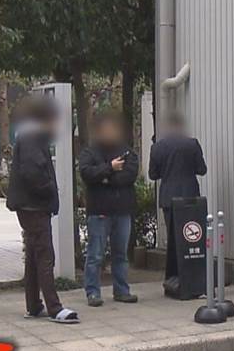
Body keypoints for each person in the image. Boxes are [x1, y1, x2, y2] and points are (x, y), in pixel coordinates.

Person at [6, 94, 79, 324]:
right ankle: (54, 308)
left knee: (34, 256)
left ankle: (34, 305)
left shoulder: (28, 136)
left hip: (29, 206)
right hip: (34, 207)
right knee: (45, 256)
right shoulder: (32, 138)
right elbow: (32, 172)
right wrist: (49, 189)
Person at [78, 112, 140, 307]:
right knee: (95, 255)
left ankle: (122, 290)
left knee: (120, 254)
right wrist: (110, 168)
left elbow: (129, 176)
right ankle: (93, 292)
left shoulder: (127, 152)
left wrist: (104, 179)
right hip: (99, 211)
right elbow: (87, 173)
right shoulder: (90, 152)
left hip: (122, 211)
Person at [148, 111, 207, 281]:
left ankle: (175, 275)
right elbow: (202, 169)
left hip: (169, 197)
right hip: (190, 197)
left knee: (174, 239)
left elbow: (153, 175)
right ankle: (193, 275)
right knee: (192, 236)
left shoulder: (157, 147)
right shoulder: (192, 144)